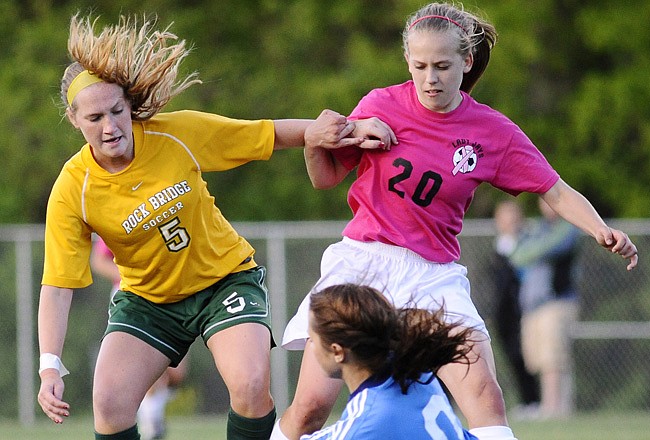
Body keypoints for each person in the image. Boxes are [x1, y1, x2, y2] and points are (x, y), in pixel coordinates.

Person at [272, 3, 639, 440]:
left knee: (485, 397)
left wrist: (600, 228)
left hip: (433, 277)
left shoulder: (492, 131)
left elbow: (554, 190)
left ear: (466, 62)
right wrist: (316, 140)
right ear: (407, 61)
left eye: (443, 66)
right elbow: (325, 178)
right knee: (310, 409)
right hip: (362, 266)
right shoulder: (380, 104)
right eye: (420, 66)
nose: (431, 78)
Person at [36, 13, 392, 440]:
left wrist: (342, 129)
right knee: (109, 404)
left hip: (225, 281)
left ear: (130, 104)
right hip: (149, 301)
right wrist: (49, 366)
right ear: (74, 119)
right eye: (95, 118)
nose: (111, 127)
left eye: (117, 111)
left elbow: (264, 134)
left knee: (250, 385)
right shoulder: (73, 189)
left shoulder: (174, 134)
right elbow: (57, 286)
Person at [301, 283, 478, 440]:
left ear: (337, 352)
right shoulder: (414, 372)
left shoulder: (366, 421)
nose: (310, 346)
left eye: (312, 339)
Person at [91, 238, 188, 439]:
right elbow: (99, 260)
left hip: (168, 294)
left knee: (177, 372)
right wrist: (135, 278)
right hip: (134, 299)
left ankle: (150, 412)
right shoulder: (120, 213)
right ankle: (150, 423)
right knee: (150, 366)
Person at [509, 198, 581, 419]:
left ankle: (554, 408)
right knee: (538, 359)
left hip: (557, 302)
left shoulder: (568, 227)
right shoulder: (537, 228)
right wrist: (533, 249)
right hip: (533, 305)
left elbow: (550, 247)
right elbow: (516, 255)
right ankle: (552, 406)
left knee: (554, 357)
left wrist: (533, 249)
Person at [490, 200, 540, 416]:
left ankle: (535, 400)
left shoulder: (528, 243)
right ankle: (525, 400)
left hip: (524, 307)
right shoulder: (498, 246)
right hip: (504, 311)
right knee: (511, 354)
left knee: (527, 354)